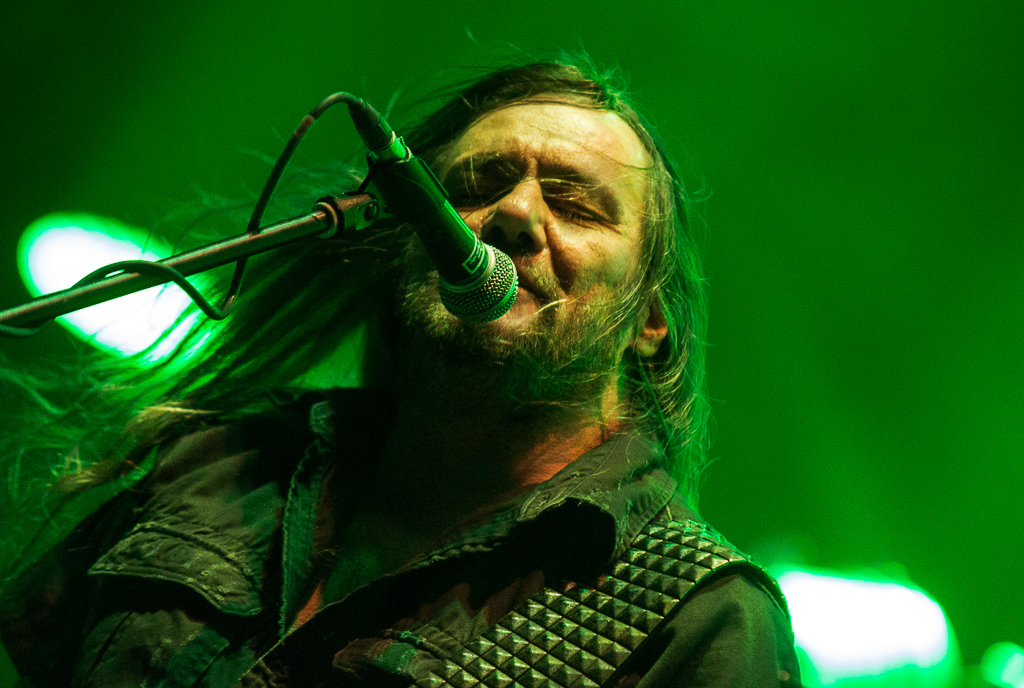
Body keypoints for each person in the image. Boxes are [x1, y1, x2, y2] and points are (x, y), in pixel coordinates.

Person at [0, 58, 801, 687]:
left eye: (576, 204)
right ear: (404, 243)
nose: (514, 213)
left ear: (650, 322)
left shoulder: (697, 618)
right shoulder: (222, 464)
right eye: (475, 187)